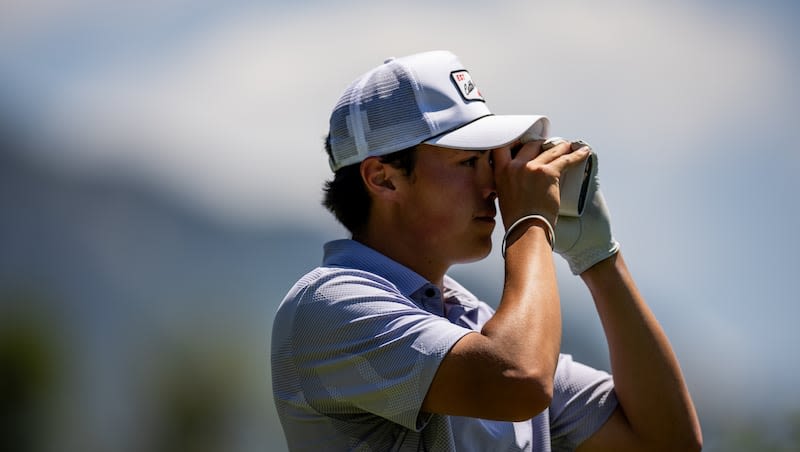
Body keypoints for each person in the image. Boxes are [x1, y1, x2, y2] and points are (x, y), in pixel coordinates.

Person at [271, 50, 702, 451]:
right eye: (467, 162)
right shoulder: (328, 307)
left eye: (492, 161)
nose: (494, 186)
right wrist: (530, 222)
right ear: (383, 179)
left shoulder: (472, 321)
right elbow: (519, 380)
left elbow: (668, 442)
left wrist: (600, 259)